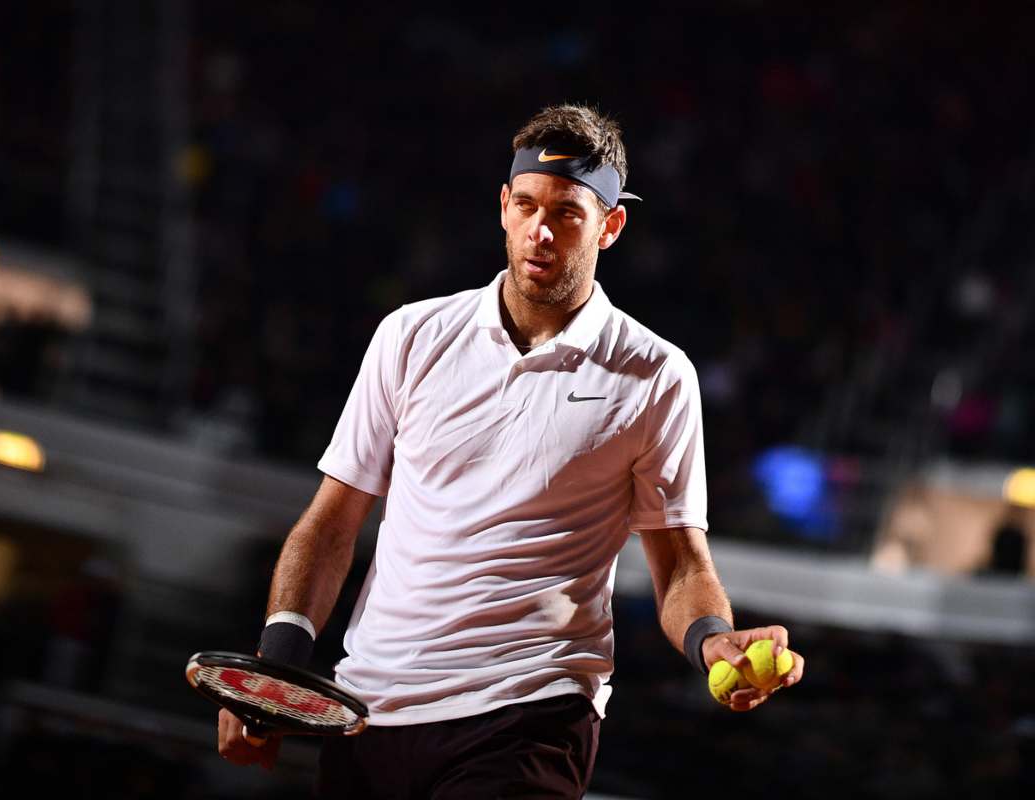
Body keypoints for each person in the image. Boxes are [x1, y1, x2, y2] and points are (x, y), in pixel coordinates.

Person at [217, 104, 805, 797]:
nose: (541, 230)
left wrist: (712, 638)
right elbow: (332, 521)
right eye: (526, 205)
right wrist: (277, 668)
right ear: (503, 205)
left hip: (531, 712)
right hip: (371, 709)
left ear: (611, 226)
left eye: (568, 213)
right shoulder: (411, 335)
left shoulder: (655, 374)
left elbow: (679, 558)